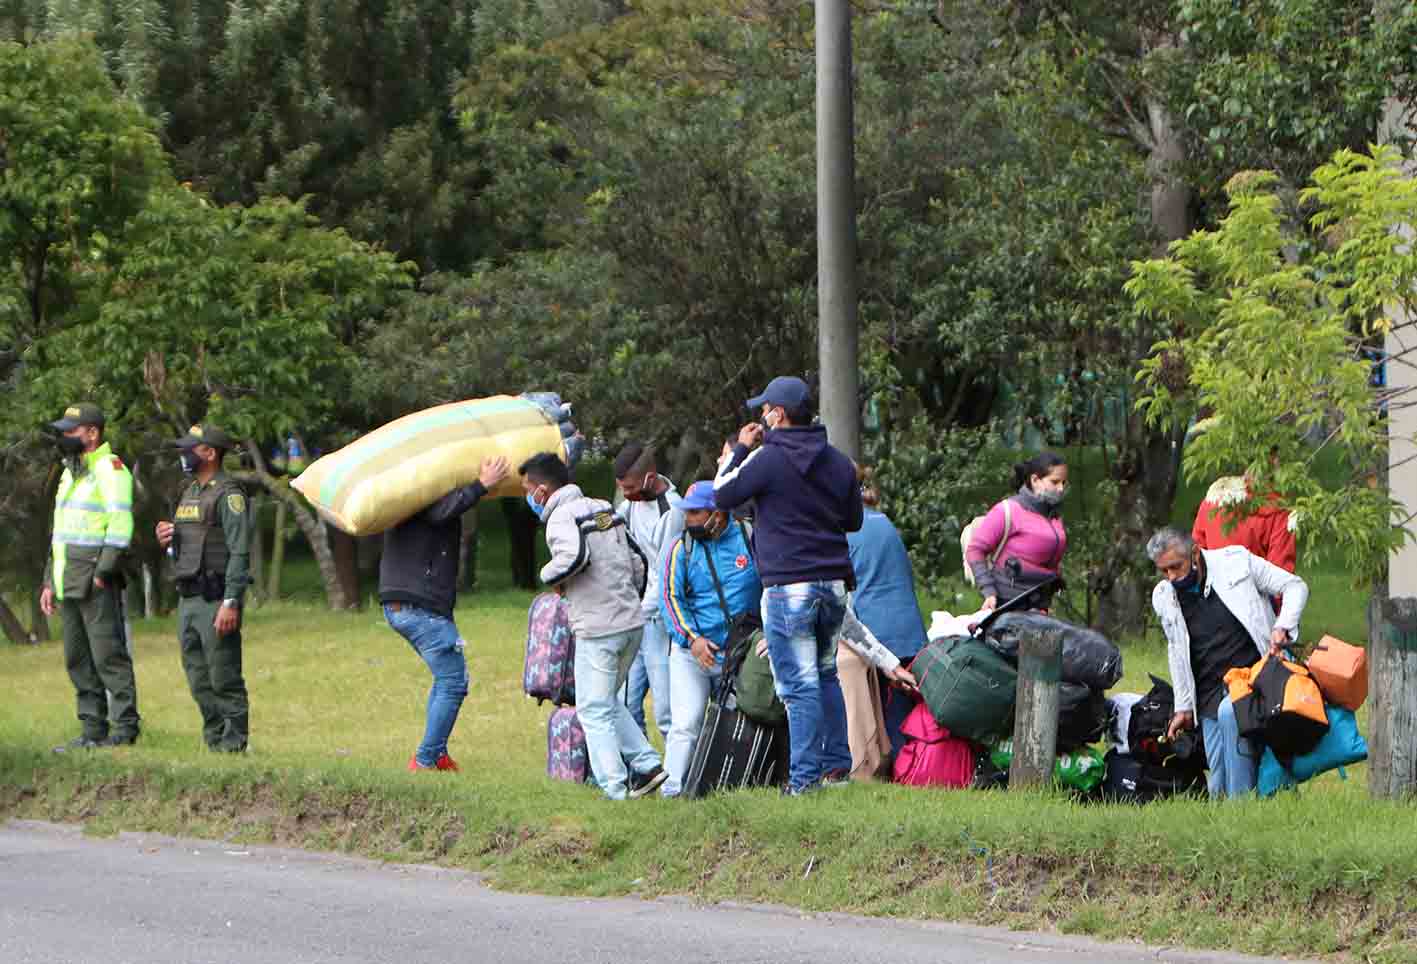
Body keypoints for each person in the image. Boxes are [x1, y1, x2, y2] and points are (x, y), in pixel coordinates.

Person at [713, 375, 863, 795]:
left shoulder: (767, 459)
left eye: (765, 410)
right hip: (834, 585)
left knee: (799, 685)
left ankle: (803, 781)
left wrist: (740, 449)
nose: (761, 416)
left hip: (789, 588)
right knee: (827, 674)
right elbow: (853, 520)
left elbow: (721, 495)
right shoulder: (839, 462)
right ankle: (837, 771)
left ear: (778, 415)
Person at [521, 451, 666, 801]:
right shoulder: (602, 507)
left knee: (592, 710)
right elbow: (637, 560)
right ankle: (648, 766)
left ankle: (613, 789)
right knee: (606, 700)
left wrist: (549, 575)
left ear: (542, 491)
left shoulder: (561, 518)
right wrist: (628, 599)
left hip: (599, 628)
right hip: (631, 622)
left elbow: (574, 558)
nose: (528, 497)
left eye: (527, 490)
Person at [1147, 527, 1308, 799]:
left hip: (1256, 678)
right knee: (1218, 780)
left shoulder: (1236, 562)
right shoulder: (1163, 596)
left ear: (1195, 553)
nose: (1171, 577)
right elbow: (1176, 650)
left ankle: (1241, 807)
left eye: (1176, 567)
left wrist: (1283, 627)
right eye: (1164, 571)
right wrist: (1183, 706)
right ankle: (1234, 810)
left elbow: (1295, 586)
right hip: (1209, 692)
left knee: (1229, 713)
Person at [379, 454, 509, 771]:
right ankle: (426, 759)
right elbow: (442, 511)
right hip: (418, 605)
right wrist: (481, 484)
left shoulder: (405, 496)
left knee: (445, 678)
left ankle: (436, 754)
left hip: (403, 604)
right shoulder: (424, 494)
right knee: (453, 681)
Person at [41, 403, 141, 751]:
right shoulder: (71, 472)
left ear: (93, 433)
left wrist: (104, 571)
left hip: (95, 581)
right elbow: (60, 534)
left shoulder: (111, 470)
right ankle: (92, 730)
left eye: (71, 430)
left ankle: (125, 729)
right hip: (67, 580)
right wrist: (49, 581)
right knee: (78, 659)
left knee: (108, 656)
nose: (64, 436)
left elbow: (120, 524)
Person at [658, 481, 760, 797]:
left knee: (737, 721)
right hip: (694, 654)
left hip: (741, 652)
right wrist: (692, 639)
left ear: (718, 513)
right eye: (687, 513)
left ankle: (728, 787)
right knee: (687, 721)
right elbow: (670, 598)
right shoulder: (680, 548)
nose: (688, 519)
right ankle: (672, 789)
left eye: (696, 513)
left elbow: (770, 584)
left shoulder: (750, 537)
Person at [154, 425, 253, 752]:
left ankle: (234, 744)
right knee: (198, 677)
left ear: (210, 453)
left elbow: (239, 551)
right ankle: (215, 741)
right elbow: (190, 547)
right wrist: (168, 540)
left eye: (190, 449)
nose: (184, 454)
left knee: (223, 675)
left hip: (215, 598)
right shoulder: (190, 492)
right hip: (188, 598)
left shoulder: (229, 494)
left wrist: (231, 601)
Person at [847, 468, 929, 757]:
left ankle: (904, 771)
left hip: (878, 636)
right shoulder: (880, 519)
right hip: (908, 631)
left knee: (891, 725)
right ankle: (917, 768)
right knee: (905, 716)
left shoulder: (843, 529)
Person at [613, 442, 685, 741]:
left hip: (659, 619)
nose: (626, 494)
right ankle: (641, 764)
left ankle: (678, 766)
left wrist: (639, 611)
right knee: (627, 703)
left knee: (666, 710)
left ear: (649, 478)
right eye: (622, 489)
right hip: (636, 616)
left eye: (629, 488)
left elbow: (665, 574)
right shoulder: (630, 505)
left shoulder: (673, 510)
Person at [966, 452, 1069, 611]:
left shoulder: (1054, 516)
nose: (1061, 488)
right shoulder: (1008, 510)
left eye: (1063, 482)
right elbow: (975, 550)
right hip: (1006, 604)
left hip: (1039, 604)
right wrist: (988, 592)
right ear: (1035, 480)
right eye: (1054, 482)